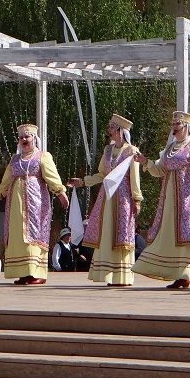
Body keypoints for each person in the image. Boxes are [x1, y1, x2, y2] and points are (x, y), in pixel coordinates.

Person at [132, 110, 190, 289]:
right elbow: (159, 170)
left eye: (177, 124)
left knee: (189, 233)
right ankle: (181, 274)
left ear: (186, 127)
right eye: (173, 124)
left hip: (188, 197)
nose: (174, 127)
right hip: (169, 199)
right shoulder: (169, 148)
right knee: (171, 233)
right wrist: (145, 161)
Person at [0, 123, 69, 286]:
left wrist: (60, 193)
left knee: (34, 235)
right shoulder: (15, 159)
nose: (24, 139)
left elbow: (52, 177)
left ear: (34, 139)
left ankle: (36, 272)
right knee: (17, 236)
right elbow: (6, 180)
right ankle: (24, 273)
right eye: (21, 137)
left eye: (27, 136)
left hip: (35, 204)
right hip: (15, 205)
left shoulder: (42, 156)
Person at [68, 113, 143, 287]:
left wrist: (137, 199)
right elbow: (102, 174)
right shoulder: (108, 150)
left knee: (122, 234)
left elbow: (135, 177)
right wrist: (82, 182)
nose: (108, 130)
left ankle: (123, 276)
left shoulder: (131, 151)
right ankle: (109, 274)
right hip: (107, 198)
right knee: (107, 234)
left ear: (120, 130)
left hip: (123, 198)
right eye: (109, 127)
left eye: (111, 127)